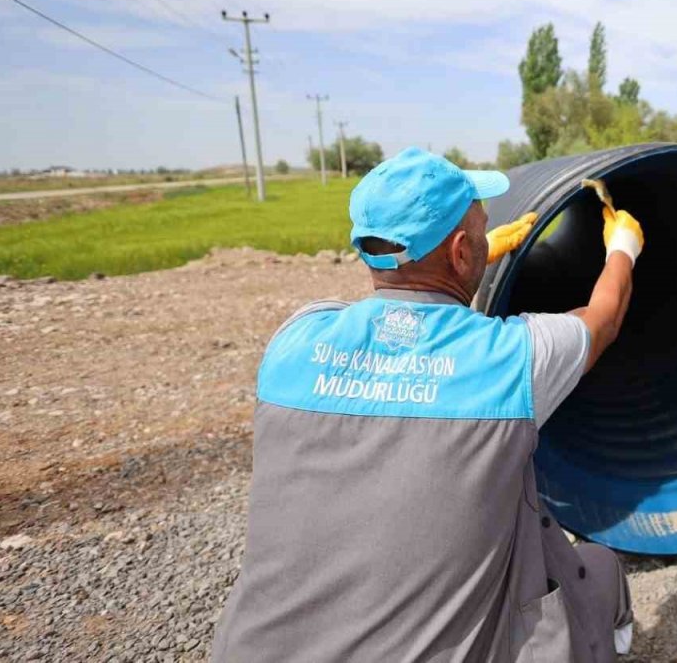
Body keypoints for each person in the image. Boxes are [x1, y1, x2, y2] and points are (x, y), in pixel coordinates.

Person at [212, 147, 644, 662]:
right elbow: (604, 318)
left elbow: (388, 302)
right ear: (461, 251)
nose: (488, 239)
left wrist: (470, 262)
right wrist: (623, 248)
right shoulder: (509, 361)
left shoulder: (293, 340)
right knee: (596, 570)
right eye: (482, 231)